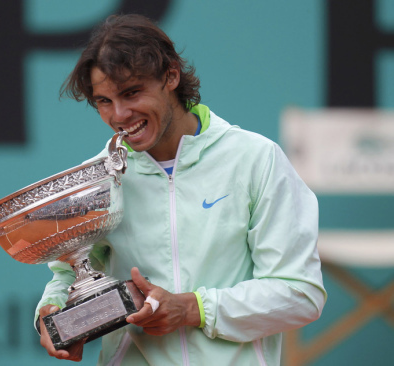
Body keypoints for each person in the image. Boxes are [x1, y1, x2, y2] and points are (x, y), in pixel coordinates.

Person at [35, 14, 326, 365]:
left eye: (131, 93)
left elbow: (300, 293)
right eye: (104, 101)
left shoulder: (255, 159)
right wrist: (52, 316)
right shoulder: (95, 181)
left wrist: (192, 309)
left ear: (171, 76)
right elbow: (69, 274)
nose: (120, 114)